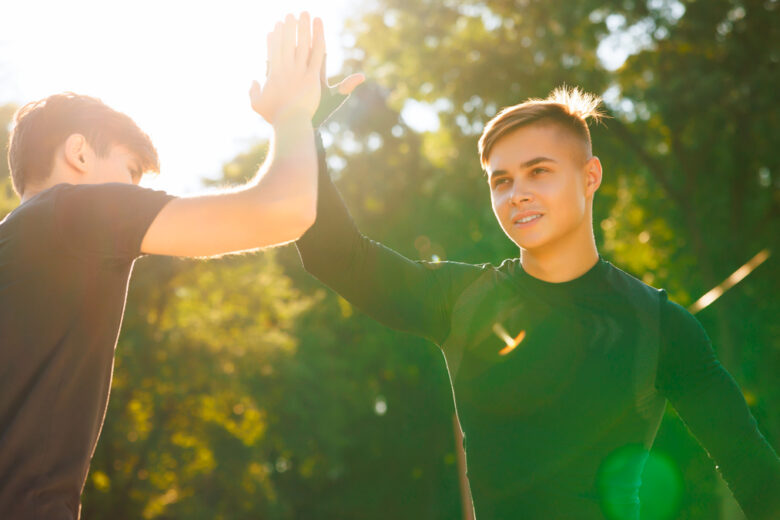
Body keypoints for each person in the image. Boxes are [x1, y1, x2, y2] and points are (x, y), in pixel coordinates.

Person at [296, 86, 780, 518]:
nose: (518, 194)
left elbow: (754, 472)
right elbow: (334, 254)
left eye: (538, 172)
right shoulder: (462, 300)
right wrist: (301, 126)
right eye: (501, 181)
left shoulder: (661, 325)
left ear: (590, 176)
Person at [0, 12, 362, 519]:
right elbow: (286, 210)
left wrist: (301, 129)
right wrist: (293, 115)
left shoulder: (19, 244)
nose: (133, 194)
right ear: (79, 153)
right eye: (130, 172)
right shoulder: (72, 211)